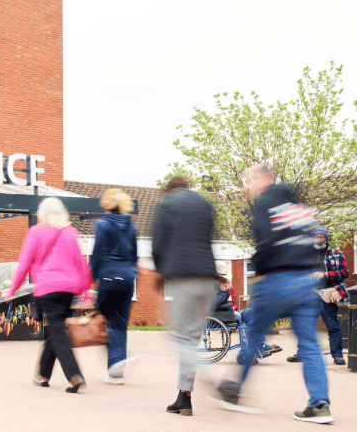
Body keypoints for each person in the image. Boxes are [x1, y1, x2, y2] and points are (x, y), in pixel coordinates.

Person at [213, 163, 333, 424]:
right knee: (309, 343)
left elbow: (265, 242)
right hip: (306, 282)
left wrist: (259, 269)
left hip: (278, 280)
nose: (245, 187)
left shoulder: (264, 202)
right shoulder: (298, 207)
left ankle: (233, 391)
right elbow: (312, 243)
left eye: (248, 180)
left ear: (265, 178)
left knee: (255, 334)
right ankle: (320, 404)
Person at [8, 197, 92, 393]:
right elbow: (82, 264)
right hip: (69, 290)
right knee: (57, 328)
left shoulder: (36, 232)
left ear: (42, 213)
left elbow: (24, 263)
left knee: (57, 330)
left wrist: (13, 289)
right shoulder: (71, 232)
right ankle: (42, 375)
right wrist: (86, 291)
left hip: (48, 288)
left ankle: (74, 375)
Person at [151, 176, 218, 416]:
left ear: (169, 189)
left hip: (183, 279)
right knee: (190, 340)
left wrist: (160, 272)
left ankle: (217, 384)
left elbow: (157, 245)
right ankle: (184, 397)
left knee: (180, 339)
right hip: (208, 280)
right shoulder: (205, 204)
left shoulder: (167, 204)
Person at [91, 189, 138, 385]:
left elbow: (97, 254)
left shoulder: (102, 225)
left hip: (109, 277)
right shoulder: (132, 227)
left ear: (107, 204)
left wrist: (92, 279)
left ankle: (116, 362)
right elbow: (134, 257)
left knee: (99, 320)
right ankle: (116, 372)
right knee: (119, 324)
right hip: (127, 279)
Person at [285, 227, 349, 366]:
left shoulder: (336, 253)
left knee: (333, 325)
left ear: (326, 238)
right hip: (309, 294)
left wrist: (326, 274)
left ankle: (337, 355)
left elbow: (344, 273)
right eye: (316, 237)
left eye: (322, 237)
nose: (319, 239)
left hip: (328, 293)